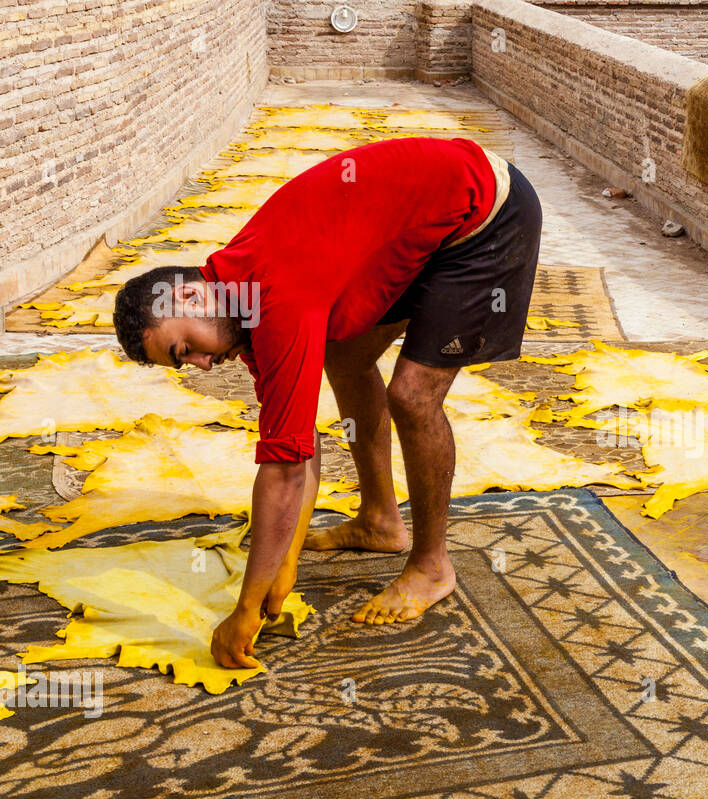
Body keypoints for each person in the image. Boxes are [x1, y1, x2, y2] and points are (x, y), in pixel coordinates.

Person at [112, 136, 542, 668]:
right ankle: (381, 521)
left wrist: (245, 609)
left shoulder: (276, 297)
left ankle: (433, 567)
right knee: (344, 358)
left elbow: (284, 473)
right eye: (183, 364)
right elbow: (298, 439)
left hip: (487, 216)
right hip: (423, 222)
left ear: (191, 296)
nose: (199, 367)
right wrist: (284, 560)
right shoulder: (241, 302)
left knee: (411, 395)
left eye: (185, 350)